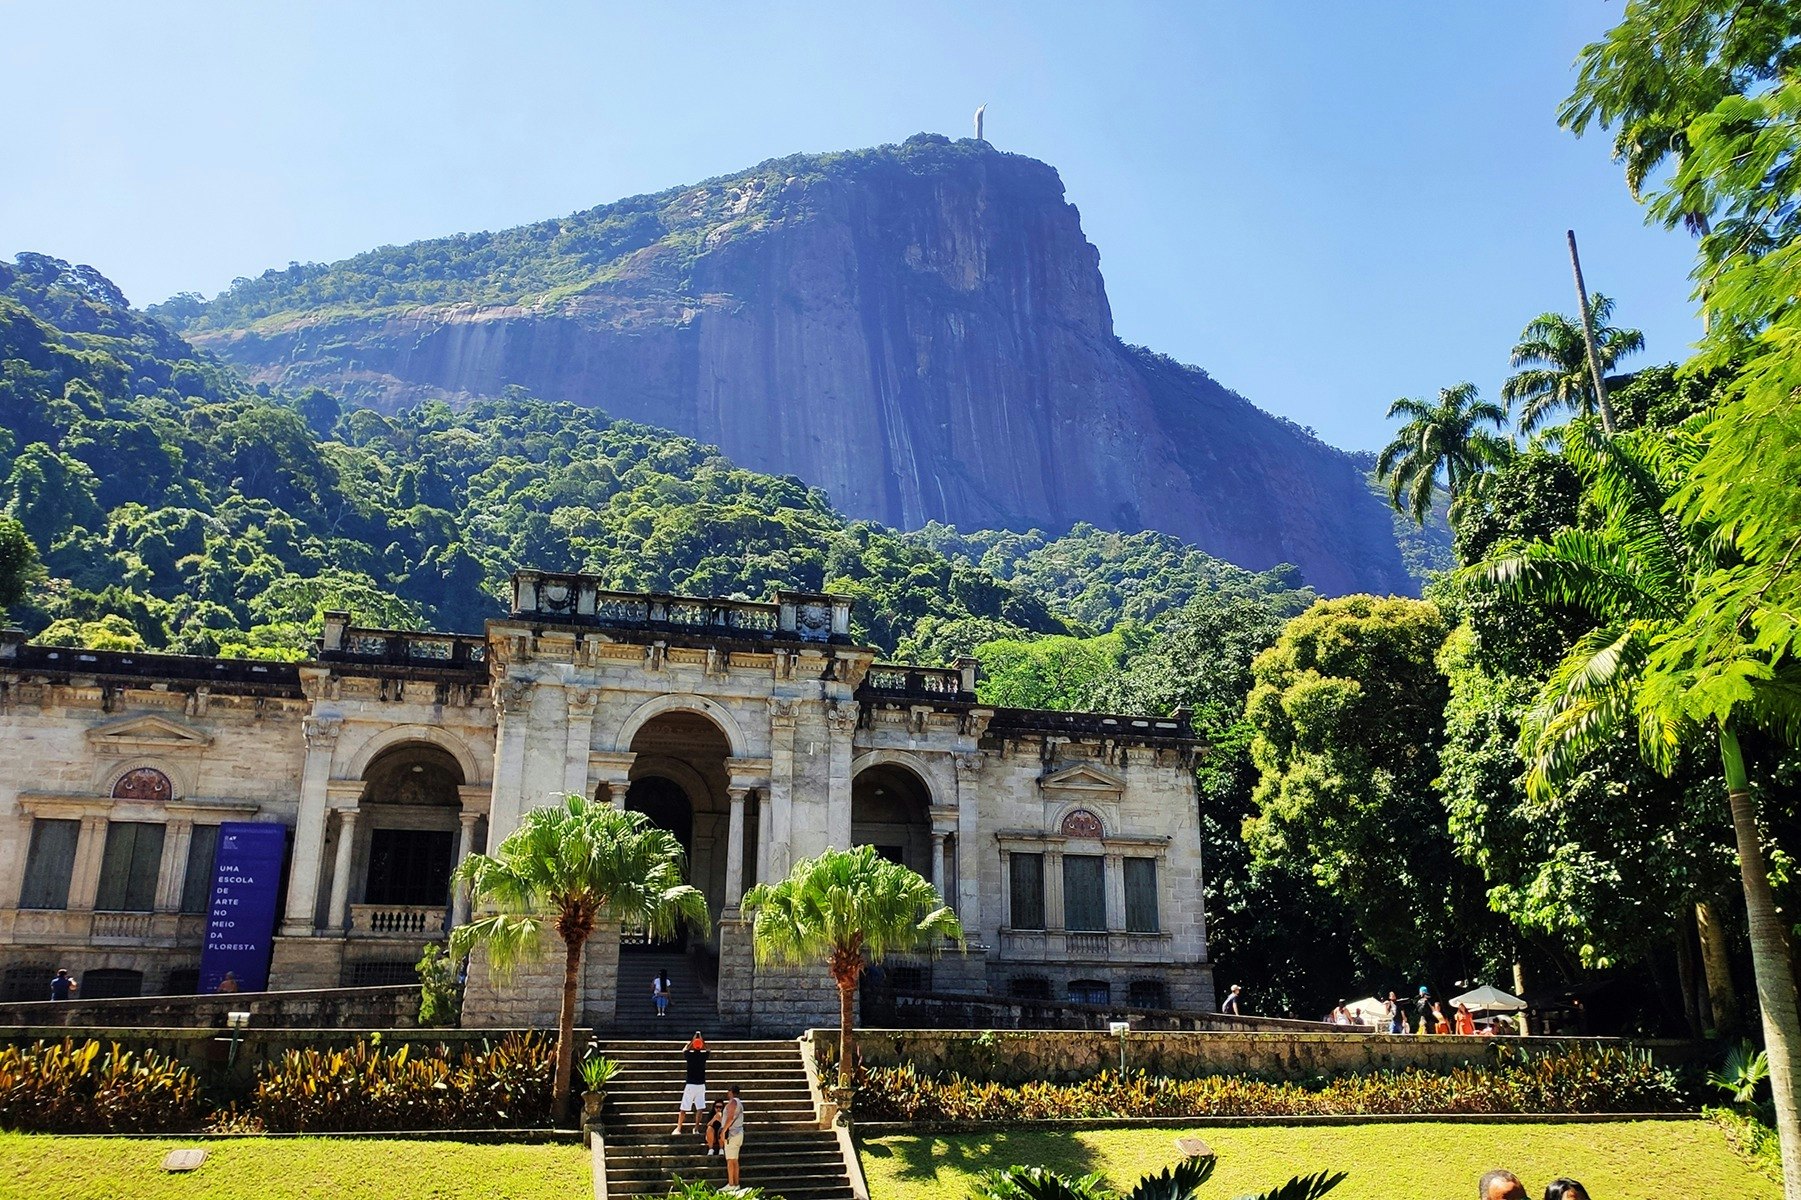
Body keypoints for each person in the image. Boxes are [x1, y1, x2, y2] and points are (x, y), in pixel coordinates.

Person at [672, 1032, 709, 1136]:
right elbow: (708, 1049)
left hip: (691, 1084)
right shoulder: (703, 1056)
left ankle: (679, 1128)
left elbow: (685, 1049)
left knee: (684, 1107)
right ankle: (696, 1128)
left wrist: (692, 1041)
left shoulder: (690, 1055)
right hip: (700, 1084)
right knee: (700, 1108)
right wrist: (701, 1040)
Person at [721, 1084, 745, 1188]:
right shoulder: (739, 1102)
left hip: (732, 1134)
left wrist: (723, 1131)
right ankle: (736, 1183)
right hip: (738, 1133)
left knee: (730, 1160)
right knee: (735, 1160)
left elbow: (730, 1118)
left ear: (731, 1091)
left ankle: (731, 1184)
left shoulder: (733, 1102)